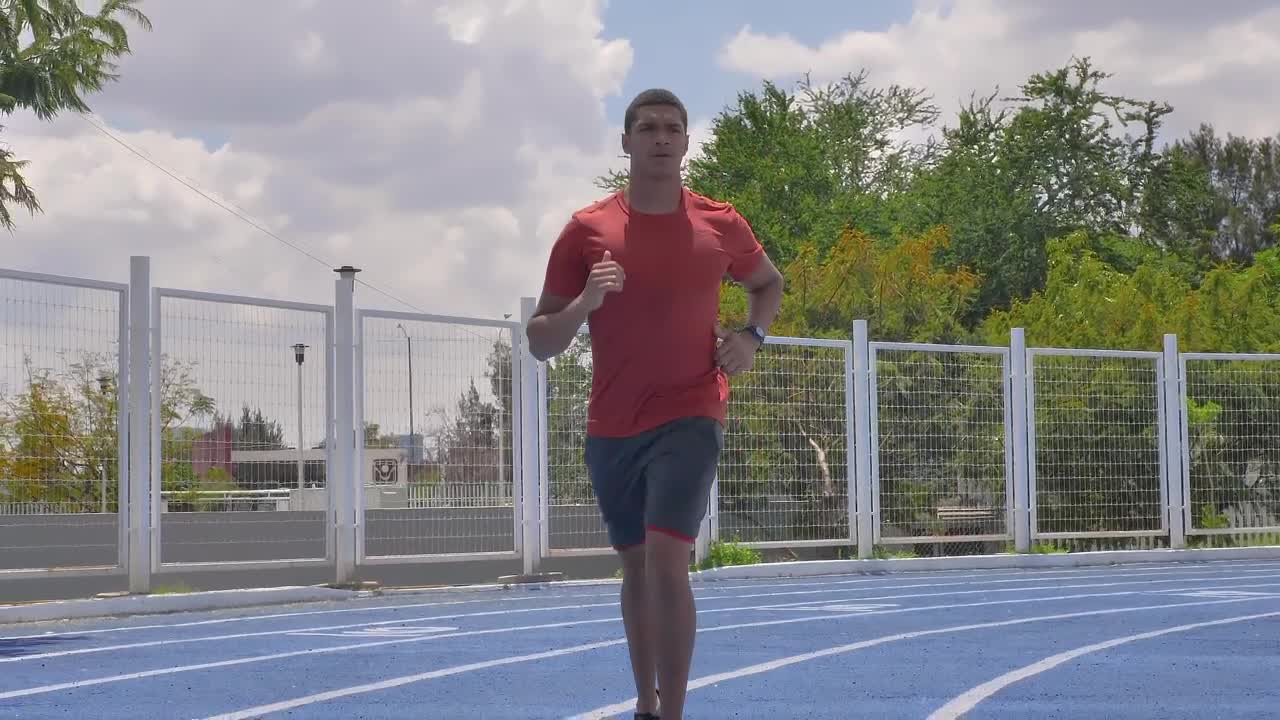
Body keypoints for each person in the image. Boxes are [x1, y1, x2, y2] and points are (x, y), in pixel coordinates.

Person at [526, 88, 784, 720]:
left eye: (673, 128)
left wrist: (752, 336)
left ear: (687, 142)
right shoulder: (587, 230)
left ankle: (674, 712)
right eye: (647, 128)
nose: (661, 137)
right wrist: (586, 301)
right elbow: (540, 340)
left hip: (692, 411)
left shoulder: (719, 222)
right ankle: (645, 703)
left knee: (670, 561)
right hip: (613, 424)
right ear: (626, 142)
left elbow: (767, 284)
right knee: (637, 569)